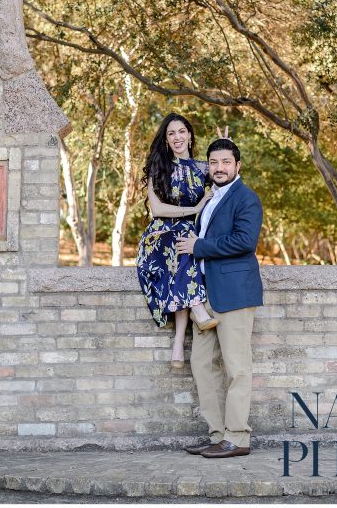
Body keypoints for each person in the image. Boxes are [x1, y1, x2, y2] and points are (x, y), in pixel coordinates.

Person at [176, 137, 263, 458]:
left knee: (237, 367)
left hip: (235, 294)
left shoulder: (246, 198)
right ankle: (218, 434)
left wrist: (199, 246)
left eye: (226, 162)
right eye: (214, 162)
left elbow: (245, 241)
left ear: (237, 166)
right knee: (201, 365)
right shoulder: (209, 197)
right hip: (205, 296)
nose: (219, 168)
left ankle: (238, 437)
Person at [136, 113, 219, 368]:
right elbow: (158, 209)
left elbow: (227, 174)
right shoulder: (158, 167)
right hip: (159, 236)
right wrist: (194, 208)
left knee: (186, 249)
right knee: (182, 241)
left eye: (181, 131)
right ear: (166, 139)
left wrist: (223, 146)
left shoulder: (201, 168)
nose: (177, 137)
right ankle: (196, 307)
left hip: (184, 237)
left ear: (190, 135)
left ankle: (178, 343)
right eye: (171, 133)